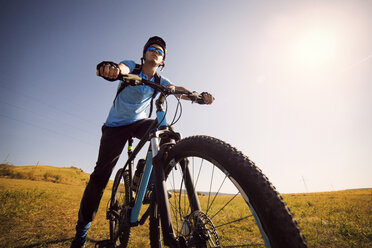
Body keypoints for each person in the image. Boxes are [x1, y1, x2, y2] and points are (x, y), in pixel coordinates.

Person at [70, 36, 214, 247]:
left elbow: (176, 89)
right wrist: (114, 70)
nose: (156, 51)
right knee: (100, 176)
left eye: (160, 52)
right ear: (144, 54)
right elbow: (122, 69)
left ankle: (147, 179)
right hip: (115, 127)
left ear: (162, 61)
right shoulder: (132, 66)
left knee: (166, 131)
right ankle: (81, 231)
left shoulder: (159, 81)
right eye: (152, 49)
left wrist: (197, 96)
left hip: (139, 123)